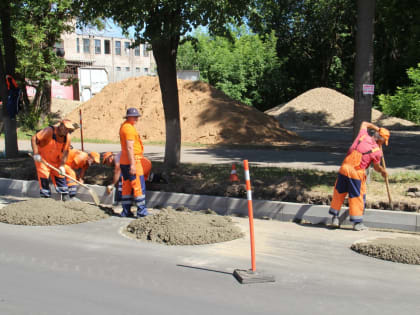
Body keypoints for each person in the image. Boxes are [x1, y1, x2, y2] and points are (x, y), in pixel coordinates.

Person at [329, 121, 390, 231]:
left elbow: (364, 123)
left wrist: (377, 128)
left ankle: (335, 218)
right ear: (380, 139)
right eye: (383, 141)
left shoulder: (362, 136)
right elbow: (376, 167)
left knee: (339, 193)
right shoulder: (376, 152)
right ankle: (357, 224)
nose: (382, 143)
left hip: (344, 169)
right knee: (357, 197)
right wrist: (382, 171)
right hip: (356, 174)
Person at [31, 119, 74, 200]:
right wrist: (36, 154)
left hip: (55, 161)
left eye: (68, 129)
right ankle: (45, 198)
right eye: (65, 128)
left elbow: (65, 152)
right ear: (60, 126)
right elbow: (34, 138)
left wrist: (62, 165)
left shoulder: (67, 137)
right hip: (42, 160)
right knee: (44, 177)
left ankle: (65, 197)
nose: (66, 131)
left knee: (60, 176)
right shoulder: (49, 131)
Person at [119, 108, 148, 217]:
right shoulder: (129, 129)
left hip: (124, 161)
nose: (136, 119)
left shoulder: (124, 126)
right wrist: (132, 165)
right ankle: (142, 212)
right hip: (133, 161)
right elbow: (130, 147)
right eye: (134, 117)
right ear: (128, 117)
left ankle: (126, 211)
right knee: (138, 186)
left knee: (126, 186)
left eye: (137, 117)